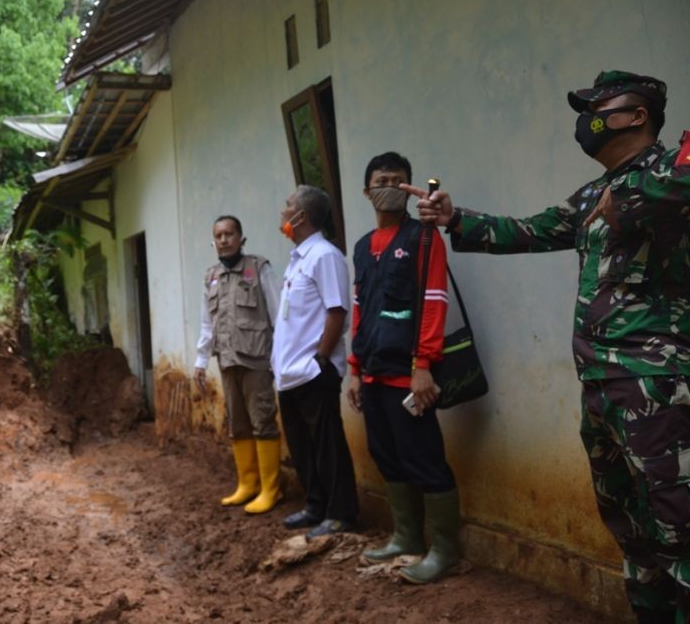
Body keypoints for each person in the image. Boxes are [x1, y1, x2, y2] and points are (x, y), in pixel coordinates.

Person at [404, 70, 690, 622]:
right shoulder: (589, 196)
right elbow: (531, 230)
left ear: (637, 115)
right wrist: (454, 218)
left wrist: (626, 196)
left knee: (679, 530)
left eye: (597, 107)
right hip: (602, 389)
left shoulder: (667, 170)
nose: (587, 119)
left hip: (658, 386)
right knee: (631, 528)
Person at [346, 151, 460, 584]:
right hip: (372, 373)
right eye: (381, 179)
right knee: (387, 456)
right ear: (367, 191)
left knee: (423, 457)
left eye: (398, 179)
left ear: (410, 189)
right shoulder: (361, 247)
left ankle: (445, 549)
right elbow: (360, 309)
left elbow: (434, 301)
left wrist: (423, 364)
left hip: (409, 376)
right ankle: (407, 537)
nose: (389, 185)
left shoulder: (424, 238)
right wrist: (354, 369)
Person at [272, 185, 359, 539]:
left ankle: (341, 513)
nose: (283, 211)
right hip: (289, 374)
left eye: (288, 205)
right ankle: (315, 505)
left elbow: (337, 311)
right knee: (302, 446)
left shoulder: (325, 256)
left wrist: (321, 359)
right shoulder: (298, 260)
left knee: (327, 446)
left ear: (301, 216)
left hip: (313, 371)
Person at [194, 215, 282, 514]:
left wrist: (281, 358)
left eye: (229, 234)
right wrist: (201, 360)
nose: (223, 240)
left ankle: (271, 489)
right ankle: (248, 485)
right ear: (213, 241)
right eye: (218, 235)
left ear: (241, 238)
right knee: (238, 422)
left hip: (257, 358)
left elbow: (278, 313)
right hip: (227, 359)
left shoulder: (259, 268)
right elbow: (207, 323)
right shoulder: (211, 277)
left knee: (262, 419)